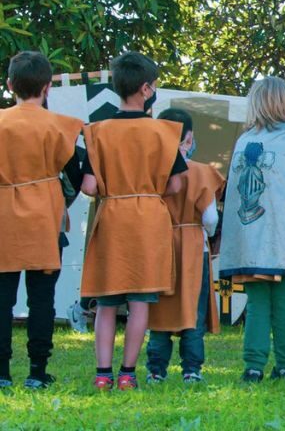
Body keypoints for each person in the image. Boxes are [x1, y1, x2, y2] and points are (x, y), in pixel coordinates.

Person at [80, 51, 189, 391]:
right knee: (140, 301)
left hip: (112, 218)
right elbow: (175, 184)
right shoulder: (163, 133)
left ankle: (102, 373)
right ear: (145, 89)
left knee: (107, 301)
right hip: (148, 223)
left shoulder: (97, 132)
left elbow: (90, 186)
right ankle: (128, 373)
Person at [218, 76, 285, 383]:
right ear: (282, 105)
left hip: (253, 242)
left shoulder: (244, 141)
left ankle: (253, 367)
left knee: (257, 306)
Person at [0, 52, 83, 390]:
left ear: (9, 86)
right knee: (42, 300)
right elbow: (75, 178)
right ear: (48, 87)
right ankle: (37, 371)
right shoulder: (59, 125)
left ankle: (2, 374)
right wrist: (58, 201)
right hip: (45, 222)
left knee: (2, 300)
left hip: (3, 218)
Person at [145, 108, 225, 384]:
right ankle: (191, 369)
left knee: (159, 310)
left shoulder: (151, 172)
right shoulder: (202, 172)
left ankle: (156, 370)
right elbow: (211, 218)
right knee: (194, 310)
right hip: (193, 247)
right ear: (188, 139)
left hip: (159, 244)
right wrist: (207, 233)